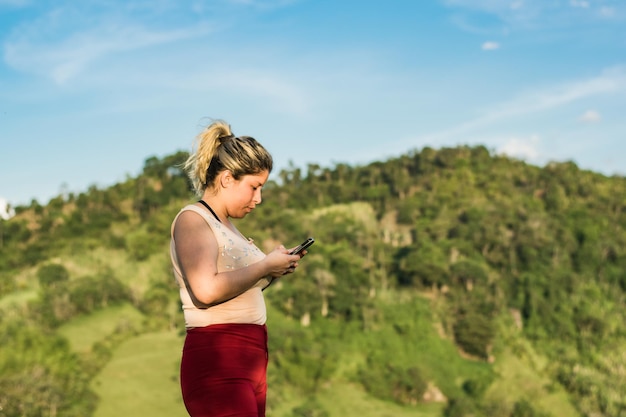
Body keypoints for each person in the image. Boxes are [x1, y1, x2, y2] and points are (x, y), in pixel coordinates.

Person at [169, 120, 305, 417]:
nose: (259, 199)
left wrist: (272, 269)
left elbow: (235, 285)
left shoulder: (227, 226)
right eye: (254, 187)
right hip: (219, 359)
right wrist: (264, 265)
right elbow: (205, 291)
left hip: (252, 358)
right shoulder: (193, 220)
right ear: (228, 179)